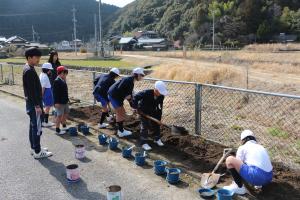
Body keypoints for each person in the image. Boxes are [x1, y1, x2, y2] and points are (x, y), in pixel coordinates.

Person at [23, 47, 53, 159]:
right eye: (37, 58)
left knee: (33, 126)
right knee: (37, 128)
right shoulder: (29, 71)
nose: (38, 60)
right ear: (30, 57)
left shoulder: (28, 67)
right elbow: (31, 91)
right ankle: (37, 151)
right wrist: (37, 106)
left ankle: (34, 147)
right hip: (34, 104)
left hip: (31, 103)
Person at [223, 130, 273, 195]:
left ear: (243, 140)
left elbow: (237, 167)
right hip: (269, 177)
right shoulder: (261, 147)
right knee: (249, 164)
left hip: (257, 178)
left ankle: (239, 187)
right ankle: (258, 185)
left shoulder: (242, 148)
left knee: (230, 160)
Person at [108, 67, 145, 137]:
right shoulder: (128, 80)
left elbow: (129, 95)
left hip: (115, 95)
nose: (142, 77)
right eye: (142, 75)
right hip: (114, 96)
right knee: (121, 113)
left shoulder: (130, 80)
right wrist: (125, 96)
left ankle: (120, 129)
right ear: (137, 75)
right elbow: (120, 89)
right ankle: (121, 131)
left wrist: (133, 106)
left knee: (121, 113)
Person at [132, 81, 168, 151]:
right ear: (156, 89)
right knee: (144, 126)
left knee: (156, 124)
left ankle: (156, 139)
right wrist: (135, 107)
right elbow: (135, 97)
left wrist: (158, 119)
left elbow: (160, 107)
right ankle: (143, 142)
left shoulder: (161, 96)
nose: (161, 94)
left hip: (153, 111)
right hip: (143, 111)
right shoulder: (146, 93)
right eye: (160, 92)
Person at [53, 66, 69, 135]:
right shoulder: (57, 81)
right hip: (59, 102)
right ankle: (57, 129)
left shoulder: (63, 80)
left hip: (65, 101)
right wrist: (56, 102)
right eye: (64, 73)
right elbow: (55, 93)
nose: (65, 75)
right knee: (59, 115)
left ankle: (64, 125)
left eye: (66, 73)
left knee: (66, 113)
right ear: (60, 73)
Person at [39, 63, 55, 127]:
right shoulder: (45, 77)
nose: (50, 71)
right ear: (46, 69)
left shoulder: (41, 74)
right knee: (47, 108)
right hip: (47, 92)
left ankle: (43, 121)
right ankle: (45, 122)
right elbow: (43, 87)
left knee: (46, 107)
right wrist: (41, 96)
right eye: (49, 70)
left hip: (46, 92)